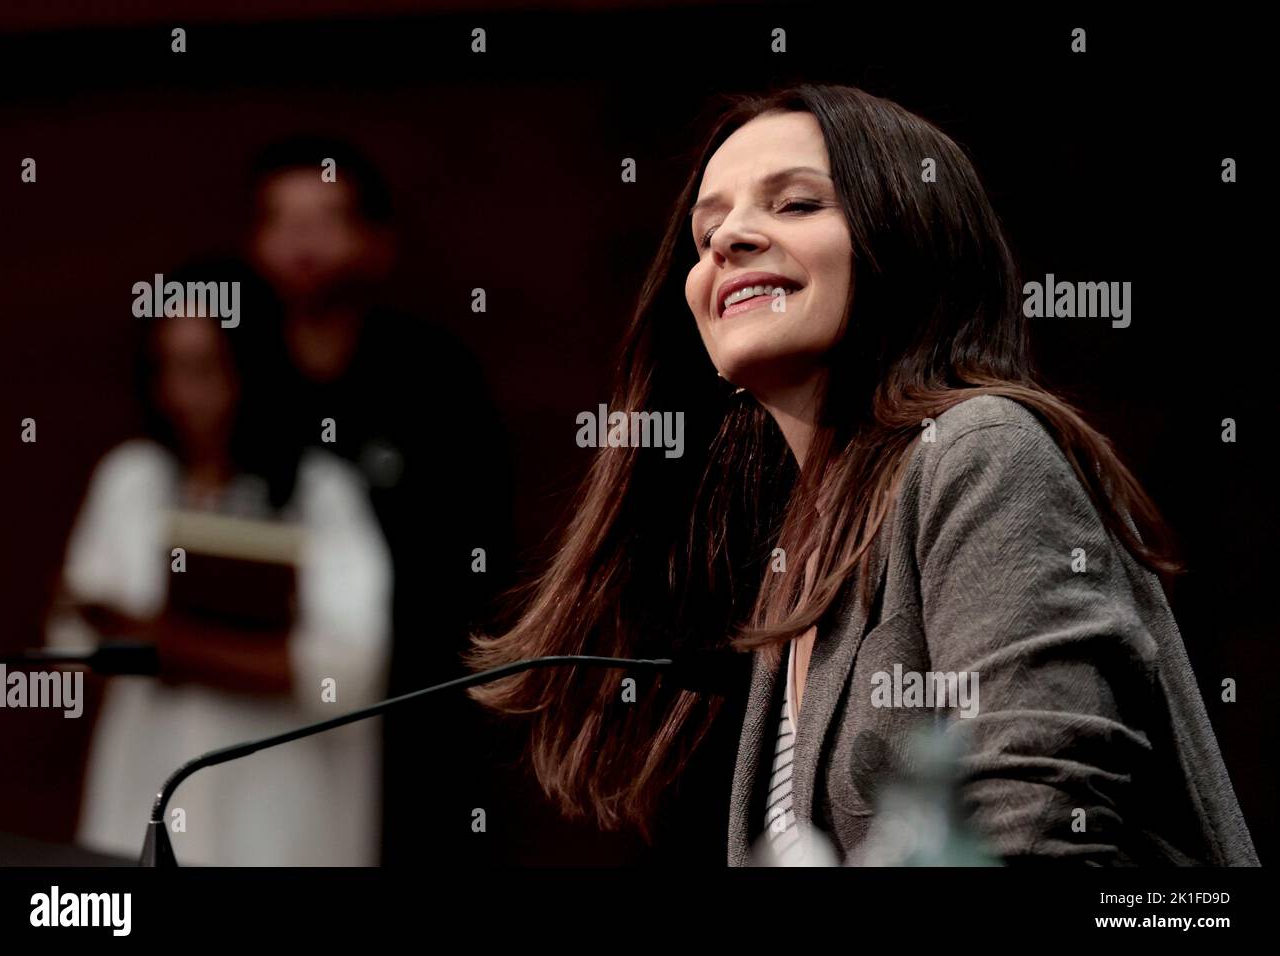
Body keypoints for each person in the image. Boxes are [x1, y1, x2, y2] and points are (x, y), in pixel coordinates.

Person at [464, 85, 1260, 866]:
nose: (727, 240)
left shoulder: (983, 448)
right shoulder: (803, 550)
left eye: (797, 205)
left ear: (908, 236)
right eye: (707, 231)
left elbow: (1034, 831)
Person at [47, 260, 393, 866]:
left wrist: (168, 643)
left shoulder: (319, 494)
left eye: (204, 370)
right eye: (169, 370)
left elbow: (351, 670)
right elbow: (70, 646)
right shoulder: (132, 481)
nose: (185, 395)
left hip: (277, 824)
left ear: (250, 368)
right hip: (139, 813)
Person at [245, 137, 516, 865]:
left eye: (326, 218)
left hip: (415, 711)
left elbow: (481, 557)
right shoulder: (239, 382)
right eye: (282, 219)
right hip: (264, 715)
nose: (302, 243)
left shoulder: (433, 378)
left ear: (377, 243)